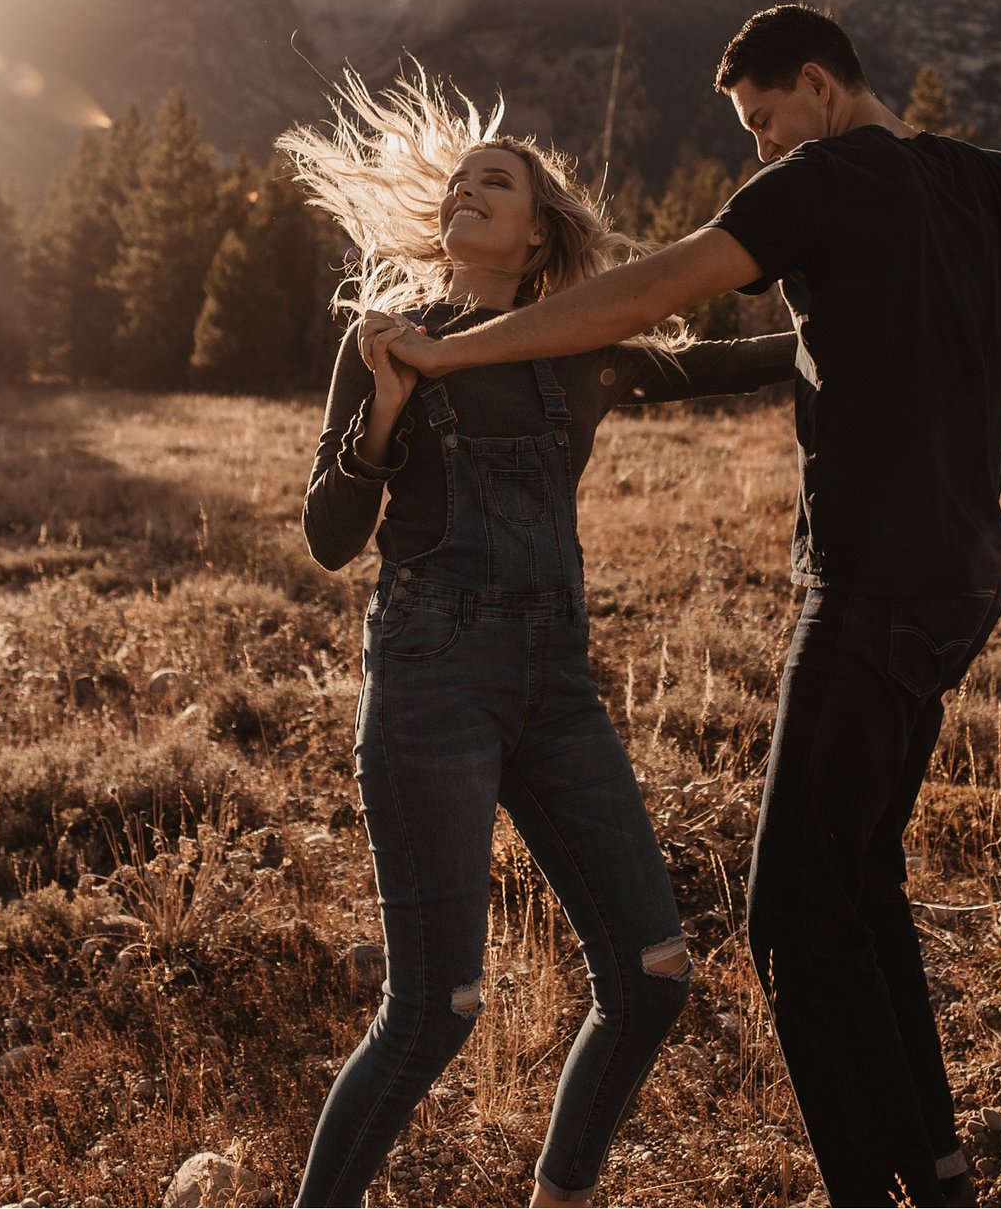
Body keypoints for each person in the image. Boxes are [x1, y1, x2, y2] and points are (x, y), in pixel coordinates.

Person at [386, 4, 1001, 1207]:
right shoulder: (998, 187)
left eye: (760, 122)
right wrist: (959, 299)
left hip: (866, 586)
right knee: (863, 884)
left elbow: (646, 293)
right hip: (966, 587)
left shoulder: (822, 178)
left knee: (791, 922)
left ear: (815, 84)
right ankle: (940, 1173)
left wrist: (454, 353)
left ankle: (868, 1189)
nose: (759, 148)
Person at [288, 73, 797, 1209]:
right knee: (435, 1010)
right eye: (461, 180)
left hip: (556, 686)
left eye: (498, 179)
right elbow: (331, 535)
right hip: (431, 679)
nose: (470, 189)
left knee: (655, 975)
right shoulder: (383, 338)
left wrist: (888, 325)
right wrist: (381, 400)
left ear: (538, 228)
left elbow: (747, 360)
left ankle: (559, 1196)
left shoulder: (591, 350)